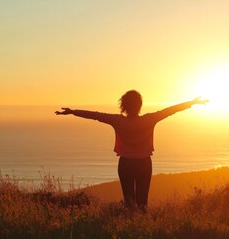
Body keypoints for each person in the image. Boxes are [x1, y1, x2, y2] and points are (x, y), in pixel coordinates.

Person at [55, 90, 208, 210]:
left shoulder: (117, 120)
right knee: (142, 202)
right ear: (139, 105)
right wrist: (191, 103)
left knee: (129, 201)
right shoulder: (149, 119)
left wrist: (72, 111)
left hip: (126, 163)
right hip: (144, 163)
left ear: (124, 105)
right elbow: (170, 110)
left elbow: (94, 115)